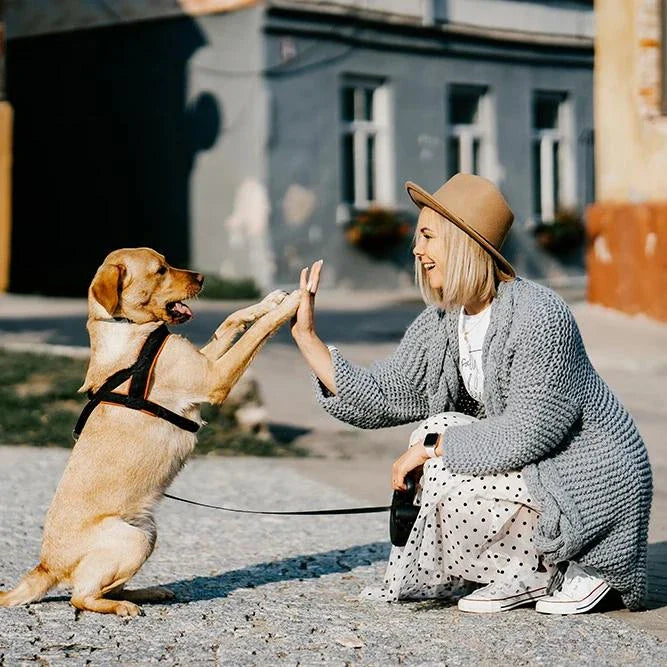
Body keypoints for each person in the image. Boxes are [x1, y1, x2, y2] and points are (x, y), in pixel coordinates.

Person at [290, 173, 652, 614]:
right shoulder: (445, 321)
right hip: (537, 471)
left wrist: (430, 450)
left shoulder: (540, 315)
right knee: (436, 429)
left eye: (427, 236)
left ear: (463, 242)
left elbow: (530, 431)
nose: (416, 250)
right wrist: (308, 339)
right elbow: (387, 393)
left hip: (589, 480)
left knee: (438, 446)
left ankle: (564, 565)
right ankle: (517, 570)